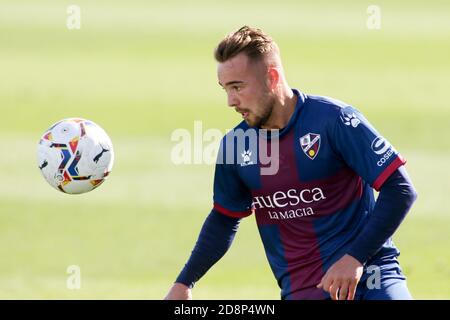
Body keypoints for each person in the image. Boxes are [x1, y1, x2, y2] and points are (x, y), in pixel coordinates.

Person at [165, 26, 417, 300]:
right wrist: (184, 283)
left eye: (237, 87)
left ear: (271, 77)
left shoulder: (334, 120)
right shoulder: (235, 146)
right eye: (225, 89)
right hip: (302, 292)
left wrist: (355, 257)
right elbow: (225, 218)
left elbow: (400, 188)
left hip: (372, 280)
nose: (230, 101)